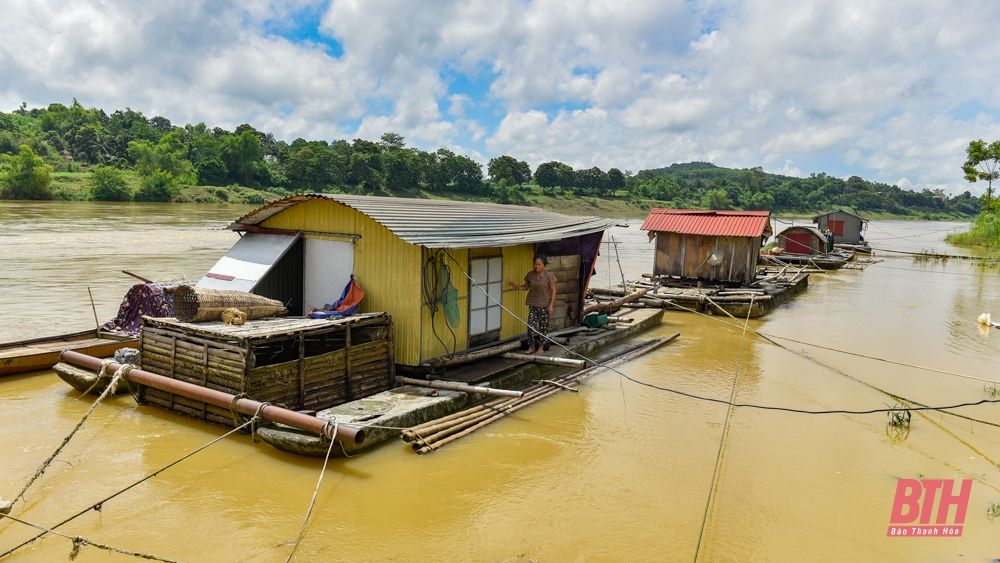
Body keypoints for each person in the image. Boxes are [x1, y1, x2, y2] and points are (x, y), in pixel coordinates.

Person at [508, 255, 557, 354]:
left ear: (544, 265)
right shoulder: (530, 275)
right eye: (535, 264)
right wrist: (515, 286)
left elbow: (554, 290)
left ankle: (541, 347)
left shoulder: (549, 276)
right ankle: (531, 347)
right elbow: (525, 287)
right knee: (531, 326)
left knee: (543, 327)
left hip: (544, 306)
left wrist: (551, 305)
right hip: (533, 305)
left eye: (539, 264)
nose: (537, 267)